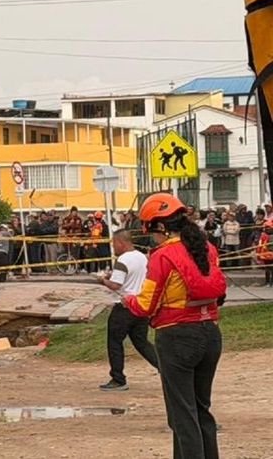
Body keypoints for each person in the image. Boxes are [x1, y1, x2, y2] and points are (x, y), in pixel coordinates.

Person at [125, 193, 227, 459]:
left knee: (182, 415)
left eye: (150, 232)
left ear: (159, 227)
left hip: (176, 338)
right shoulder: (208, 249)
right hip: (211, 335)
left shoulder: (162, 256)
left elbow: (146, 304)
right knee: (201, 409)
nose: (152, 238)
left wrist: (127, 299)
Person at [98, 230, 159, 391]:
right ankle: (165, 367)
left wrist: (102, 280)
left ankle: (118, 378)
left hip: (124, 305)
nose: (113, 247)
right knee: (141, 342)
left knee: (115, 342)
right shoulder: (141, 257)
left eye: (113, 243)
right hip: (140, 304)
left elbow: (116, 285)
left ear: (120, 242)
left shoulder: (122, 260)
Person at [255, 219, 273, 286]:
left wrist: (258, 255)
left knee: (268, 269)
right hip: (266, 254)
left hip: (267, 254)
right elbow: (259, 246)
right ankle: (268, 282)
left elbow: (259, 246)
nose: (266, 229)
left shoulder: (264, 236)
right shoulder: (263, 236)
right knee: (268, 269)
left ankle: (269, 282)